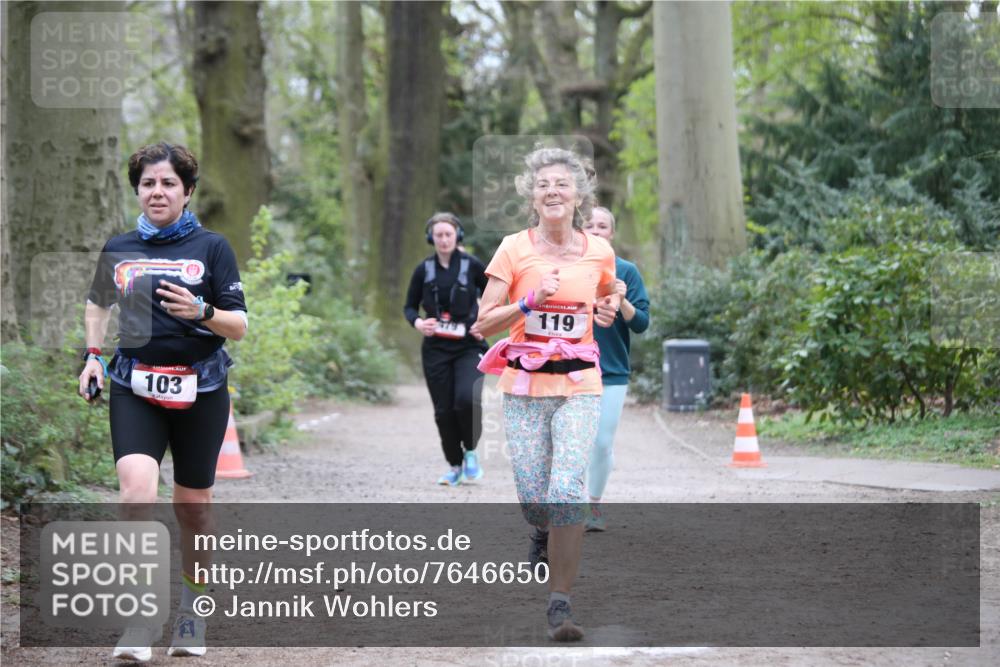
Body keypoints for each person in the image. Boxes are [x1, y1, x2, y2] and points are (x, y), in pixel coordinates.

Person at [78, 142, 248, 662]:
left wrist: (202, 311)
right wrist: (91, 357)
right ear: (138, 190)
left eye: (168, 183)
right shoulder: (120, 246)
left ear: (187, 191)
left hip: (202, 389)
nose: (157, 192)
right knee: (135, 496)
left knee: (192, 509)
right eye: (148, 184)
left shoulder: (212, 247)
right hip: (135, 387)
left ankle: (194, 610)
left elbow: (238, 327)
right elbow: (96, 302)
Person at [475, 147, 620, 641]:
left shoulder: (598, 249)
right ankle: (539, 529)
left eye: (561, 184)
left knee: (566, 490)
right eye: (543, 186)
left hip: (581, 382)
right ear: (532, 198)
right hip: (524, 384)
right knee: (536, 498)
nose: (552, 191)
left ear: (578, 195)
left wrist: (607, 306)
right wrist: (528, 301)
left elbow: (609, 290)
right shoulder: (514, 248)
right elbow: (483, 321)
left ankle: (560, 602)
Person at [404, 212, 489, 485]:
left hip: (469, 345)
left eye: (448, 235)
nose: (443, 240)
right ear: (431, 238)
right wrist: (418, 323)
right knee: (443, 411)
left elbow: (494, 296)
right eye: (438, 235)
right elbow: (409, 306)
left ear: (457, 236)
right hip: (436, 349)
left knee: (466, 400)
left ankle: (471, 451)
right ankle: (454, 465)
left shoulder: (473, 265)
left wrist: (484, 323)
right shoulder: (423, 269)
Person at [581, 206, 650, 531]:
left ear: (611, 232)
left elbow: (642, 324)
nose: (595, 230)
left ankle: (594, 502)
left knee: (602, 443)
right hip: (571, 369)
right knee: (573, 441)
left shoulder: (627, 271)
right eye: (589, 225)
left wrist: (621, 300)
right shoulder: (567, 269)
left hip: (612, 371)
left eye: (602, 225)